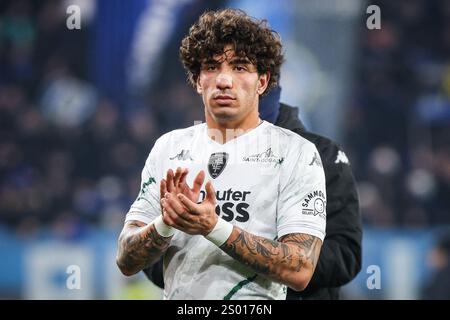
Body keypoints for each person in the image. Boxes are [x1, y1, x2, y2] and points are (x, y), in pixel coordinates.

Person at [116, 9, 327, 299]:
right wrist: (166, 222)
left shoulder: (296, 153)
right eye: (212, 67)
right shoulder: (170, 147)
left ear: (262, 82)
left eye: (240, 67)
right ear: (198, 80)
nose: (224, 80)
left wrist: (213, 227)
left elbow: (300, 269)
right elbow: (126, 260)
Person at [143, 87, 363, 300]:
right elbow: (148, 258)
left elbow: (345, 255)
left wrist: (260, 256)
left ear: (264, 81)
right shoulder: (187, 152)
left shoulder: (318, 153)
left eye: (241, 70)